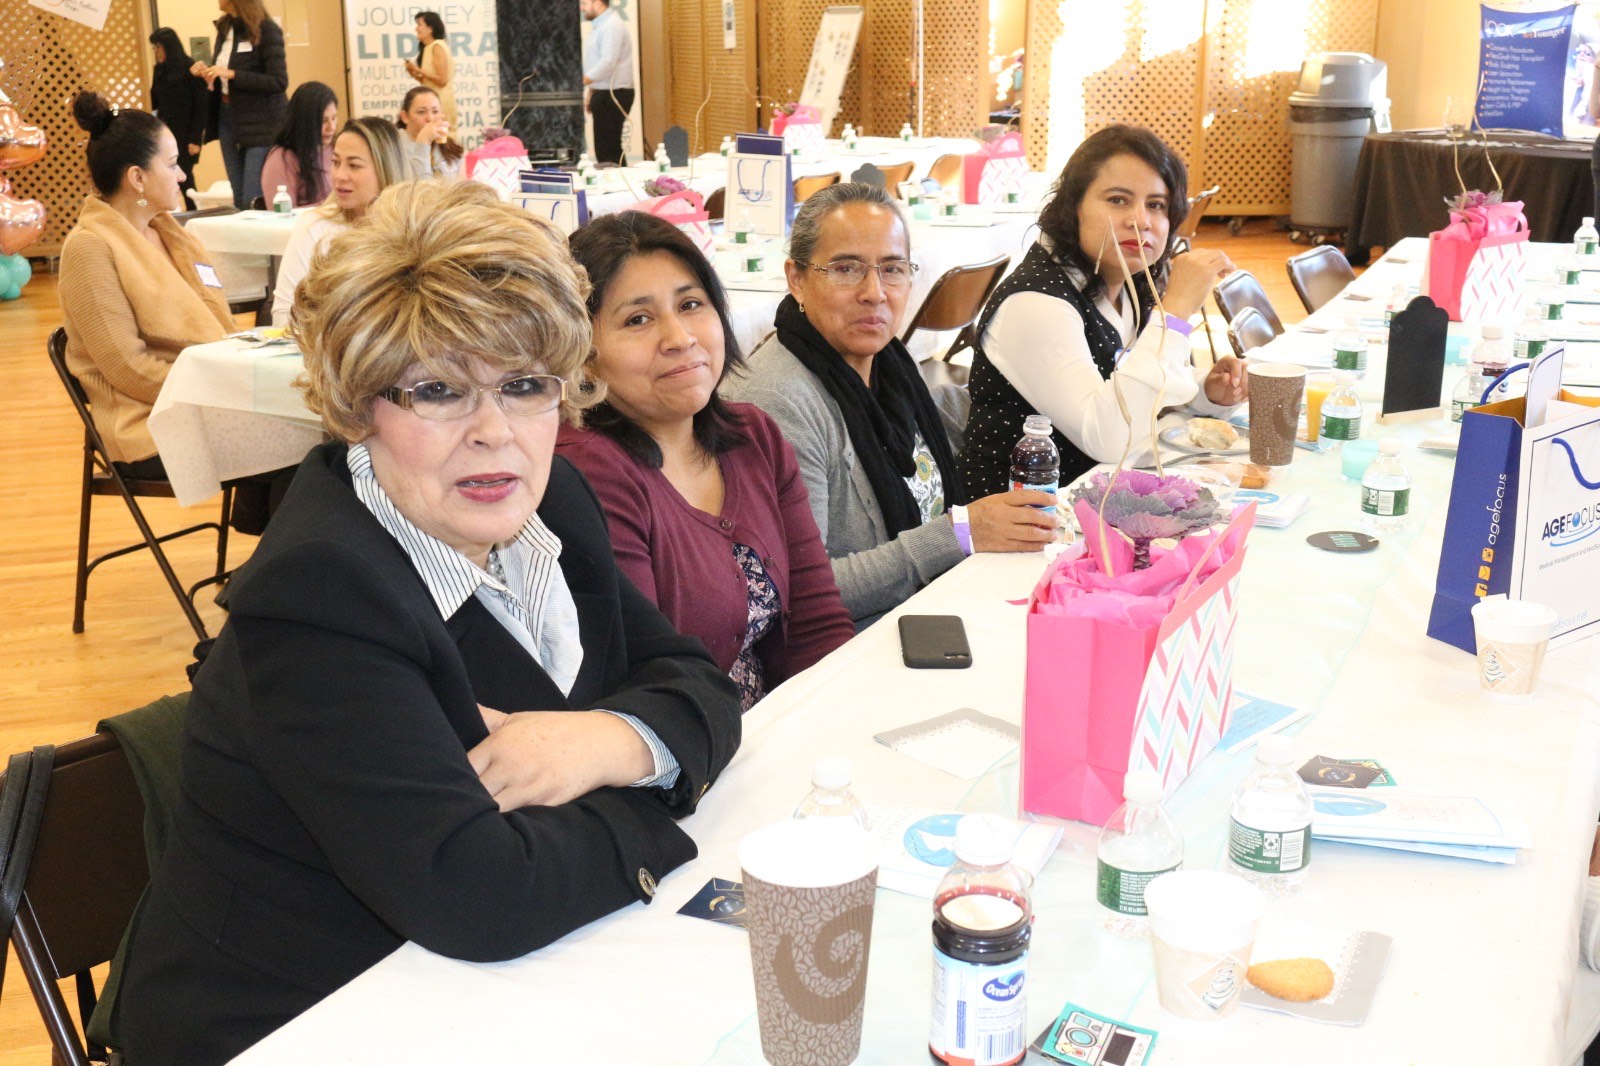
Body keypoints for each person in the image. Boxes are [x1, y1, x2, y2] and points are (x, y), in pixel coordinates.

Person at [106, 180, 743, 1064]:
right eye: (439, 391)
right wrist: (662, 799)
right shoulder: (319, 597)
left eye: (525, 385)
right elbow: (482, 893)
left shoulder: (548, 496)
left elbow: (699, 683)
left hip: (478, 987)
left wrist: (604, 745)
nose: (495, 433)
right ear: (360, 406)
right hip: (301, 1021)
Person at [557, 212, 854, 710]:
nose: (679, 337)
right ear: (584, 353)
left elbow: (814, 618)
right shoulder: (588, 472)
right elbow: (646, 680)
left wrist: (837, 728)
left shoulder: (752, 436)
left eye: (691, 304)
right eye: (638, 319)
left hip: (781, 732)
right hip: (681, 758)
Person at [724, 183, 1056, 628]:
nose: (875, 292)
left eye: (892, 269)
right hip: (850, 650)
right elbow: (801, 591)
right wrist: (959, 533)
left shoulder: (888, 366)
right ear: (796, 279)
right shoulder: (778, 402)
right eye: (846, 268)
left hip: (931, 611)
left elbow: (929, 430)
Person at [958, 124, 1248, 496]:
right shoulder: (1034, 302)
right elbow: (1110, 438)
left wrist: (1206, 391)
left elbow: (1135, 384)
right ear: (1072, 207)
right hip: (1022, 525)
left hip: (1101, 501)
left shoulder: (1129, 280)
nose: (1140, 220)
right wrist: (1174, 315)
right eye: (1117, 200)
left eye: (1156, 205)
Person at [57, 93, 236, 479]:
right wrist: (223, 389)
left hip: (199, 397)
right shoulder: (89, 248)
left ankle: (269, 532)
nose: (183, 175)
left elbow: (215, 324)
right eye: (172, 165)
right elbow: (128, 369)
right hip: (145, 424)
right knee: (310, 445)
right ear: (137, 178)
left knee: (316, 430)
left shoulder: (168, 233)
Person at [270, 117, 408, 327]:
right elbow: (283, 316)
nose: (340, 175)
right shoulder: (314, 227)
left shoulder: (411, 229)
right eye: (335, 163)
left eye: (354, 165)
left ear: (384, 169)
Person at [192, 0, 288, 210]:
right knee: (238, 197)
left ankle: (261, 240)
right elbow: (224, 72)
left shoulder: (266, 28)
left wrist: (232, 74)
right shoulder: (225, 27)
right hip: (228, 117)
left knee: (251, 198)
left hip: (261, 123)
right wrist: (207, 73)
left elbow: (278, 81)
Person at [147, 28, 208, 203]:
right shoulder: (159, 70)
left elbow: (201, 107)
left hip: (187, 134)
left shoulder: (190, 68)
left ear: (168, 46)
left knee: (185, 176)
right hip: (166, 132)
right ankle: (184, 210)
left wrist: (196, 139)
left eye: (158, 47)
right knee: (172, 174)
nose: (156, 52)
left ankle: (194, 211)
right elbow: (154, 100)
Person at [260, 81, 338, 206]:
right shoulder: (282, 158)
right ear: (305, 122)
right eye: (323, 121)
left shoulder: (337, 150)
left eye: (334, 118)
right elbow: (280, 218)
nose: (331, 127)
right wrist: (330, 208)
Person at [580, 0, 634, 166]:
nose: (581, 8)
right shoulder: (600, 25)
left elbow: (608, 62)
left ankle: (620, 187)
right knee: (604, 148)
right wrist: (592, 91)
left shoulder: (611, 26)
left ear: (598, 3)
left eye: (584, 3)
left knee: (609, 149)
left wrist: (581, 82)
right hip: (602, 92)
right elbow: (596, 61)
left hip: (615, 92)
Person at [397, 85, 464, 182]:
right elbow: (422, 190)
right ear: (405, 117)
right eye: (421, 112)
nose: (430, 118)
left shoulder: (451, 147)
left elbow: (462, 188)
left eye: (435, 111)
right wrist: (422, 143)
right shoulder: (394, 146)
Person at [404, 11, 456, 128]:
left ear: (430, 28)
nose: (416, 29)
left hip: (441, 103)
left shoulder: (438, 46)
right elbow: (426, 82)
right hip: (431, 102)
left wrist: (417, 69)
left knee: (443, 140)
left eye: (419, 25)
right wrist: (412, 71)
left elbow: (442, 80)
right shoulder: (428, 48)